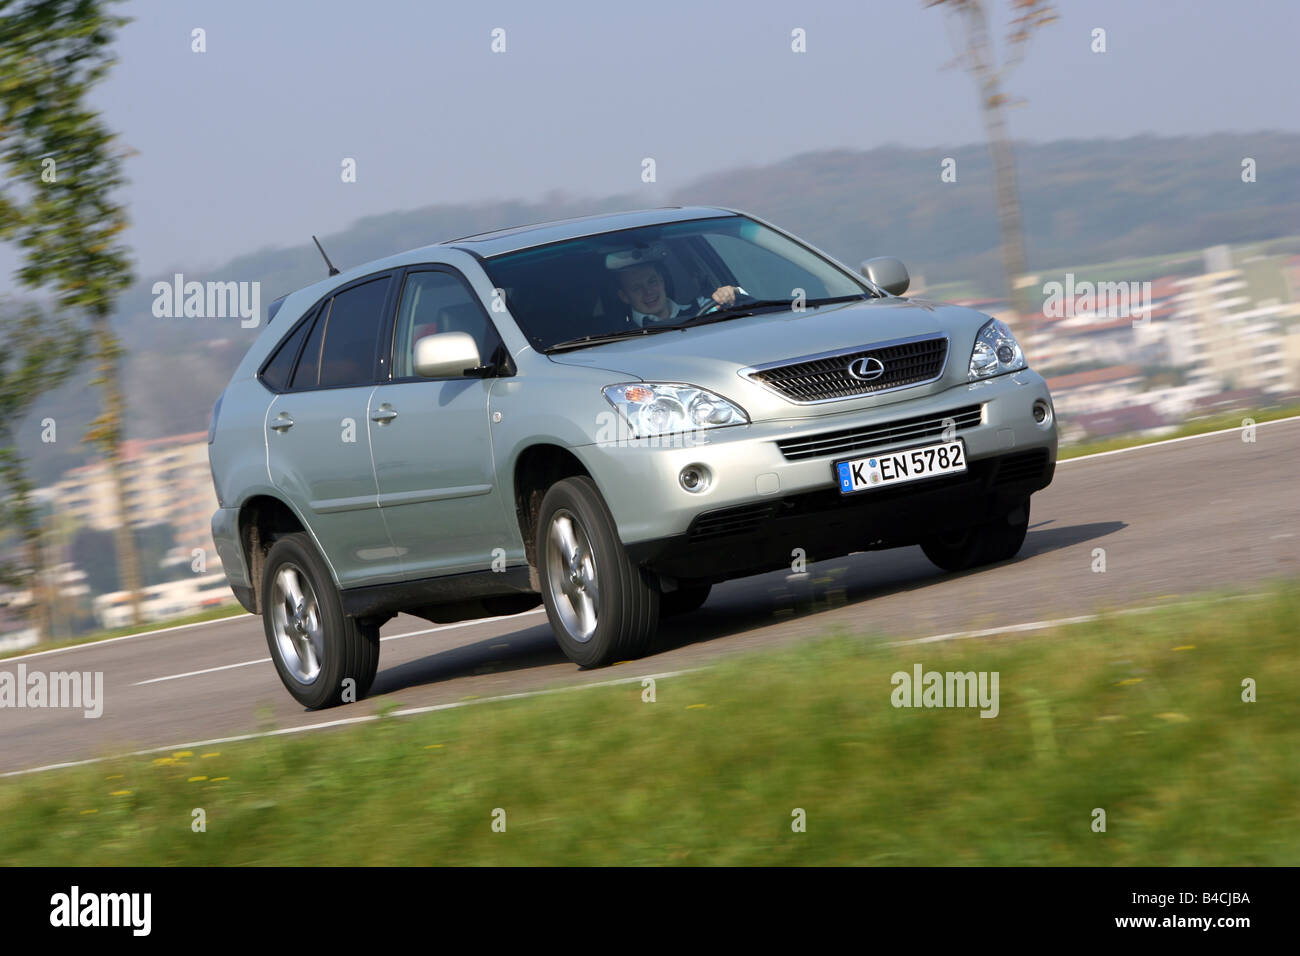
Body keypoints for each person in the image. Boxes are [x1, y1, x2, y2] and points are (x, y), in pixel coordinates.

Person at [607, 249, 744, 327]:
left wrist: (731, 293)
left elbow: (746, 308)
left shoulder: (704, 306)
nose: (648, 292)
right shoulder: (618, 334)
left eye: (652, 282)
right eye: (637, 288)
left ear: (662, 281)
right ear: (624, 296)